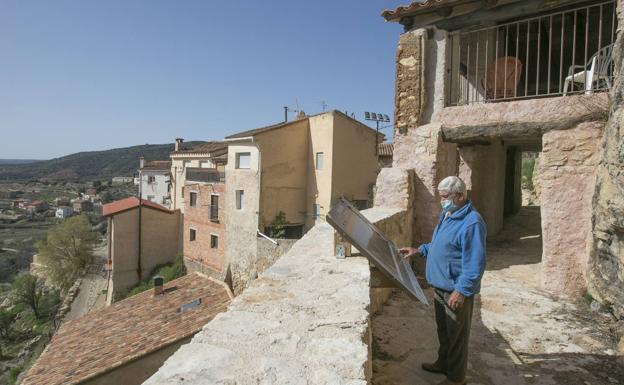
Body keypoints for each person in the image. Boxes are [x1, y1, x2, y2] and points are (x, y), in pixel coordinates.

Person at [400, 176, 486, 385]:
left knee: (457, 336)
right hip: (439, 285)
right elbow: (439, 244)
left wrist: (462, 291)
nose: (442, 200)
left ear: (459, 195)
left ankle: (456, 379)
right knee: (444, 330)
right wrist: (419, 250)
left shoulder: (472, 222)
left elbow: (475, 263)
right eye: (441, 197)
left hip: (454, 289)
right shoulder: (448, 214)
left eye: (445, 197)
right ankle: (444, 363)